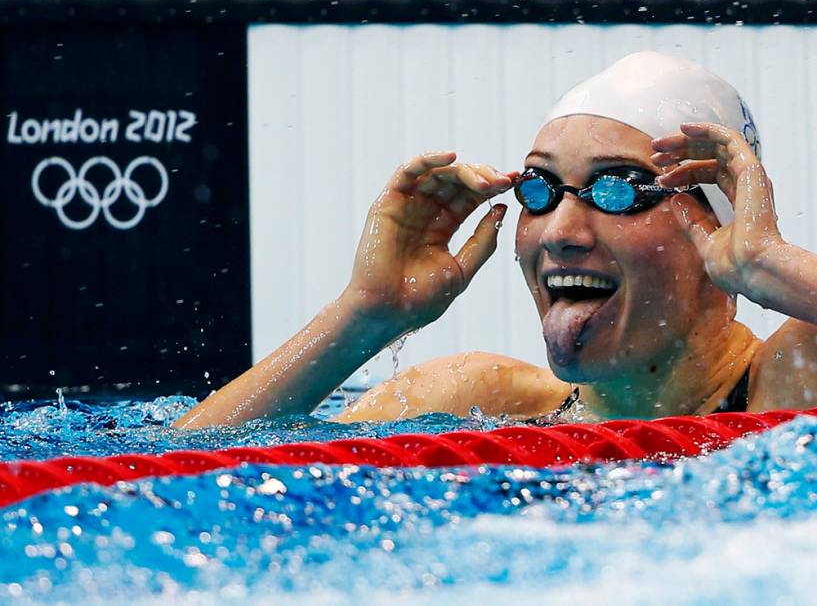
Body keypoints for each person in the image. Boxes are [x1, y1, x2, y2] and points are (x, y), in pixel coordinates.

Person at [175, 51, 817, 429]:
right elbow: (185, 472)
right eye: (539, 189)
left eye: (618, 188)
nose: (561, 233)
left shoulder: (795, 379)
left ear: (717, 225)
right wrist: (366, 316)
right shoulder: (475, 401)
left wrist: (773, 263)